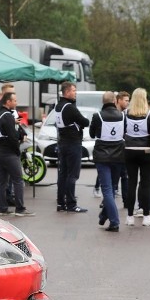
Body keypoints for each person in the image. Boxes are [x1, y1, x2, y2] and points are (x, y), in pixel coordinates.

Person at [0, 91, 34, 217]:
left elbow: (2, 131)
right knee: (18, 180)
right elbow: (12, 136)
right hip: (9, 153)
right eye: (14, 100)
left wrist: (14, 124)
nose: (16, 102)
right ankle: (20, 208)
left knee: (2, 182)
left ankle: (2, 209)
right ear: (8, 102)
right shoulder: (7, 115)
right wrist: (18, 146)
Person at [123, 88, 150, 227]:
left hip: (129, 150)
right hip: (146, 151)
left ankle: (130, 216)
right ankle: (146, 215)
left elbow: (122, 131)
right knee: (145, 184)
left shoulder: (126, 113)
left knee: (131, 183)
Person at [90, 91, 126, 232]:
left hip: (102, 156)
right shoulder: (122, 116)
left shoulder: (97, 116)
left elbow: (92, 134)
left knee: (107, 190)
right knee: (112, 188)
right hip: (118, 156)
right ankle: (104, 214)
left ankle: (114, 221)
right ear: (115, 101)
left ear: (103, 101)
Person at [54, 81, 90, 213]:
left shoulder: (58, 106)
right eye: (74, 91)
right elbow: (85, 122)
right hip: (72, 143)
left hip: (63, 143)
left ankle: (60, 203)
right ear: (67, 92)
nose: (75, 93)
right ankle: (71, 204)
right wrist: (80, 122)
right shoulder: (69, 107)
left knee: (63, 174)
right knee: (72, 175)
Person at [94, 91, 130, 199]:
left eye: (129, 101)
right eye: (126, 100)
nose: (128, 103)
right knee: (109, 182)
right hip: (115, 151)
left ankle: (121, 197)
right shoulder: (120, 115)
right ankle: (100, 189)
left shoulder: (123, 114)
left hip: (112, 151)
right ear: (117, 100)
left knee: (119, 177)